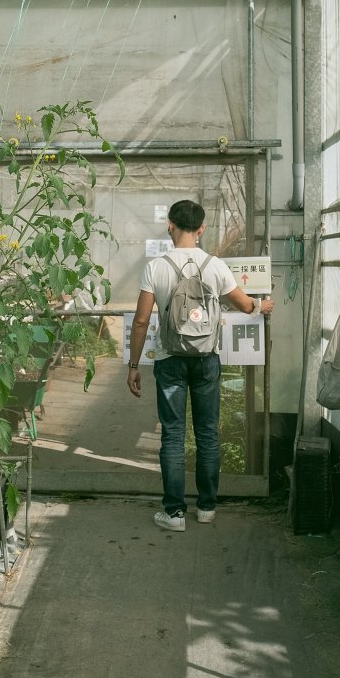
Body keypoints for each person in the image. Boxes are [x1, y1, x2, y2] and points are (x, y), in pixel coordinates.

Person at [127, 200, 273, 532]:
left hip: (169, 360)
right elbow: (245, 304)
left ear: (170, 225)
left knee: (173, 435)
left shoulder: (156, 267)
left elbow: (140, 322)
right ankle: (207, 507)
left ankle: (174, 513)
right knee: (208, 433)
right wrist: (263, 305)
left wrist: (134, 365)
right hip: (207, 358)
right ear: (202, 228)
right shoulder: (216, 266)